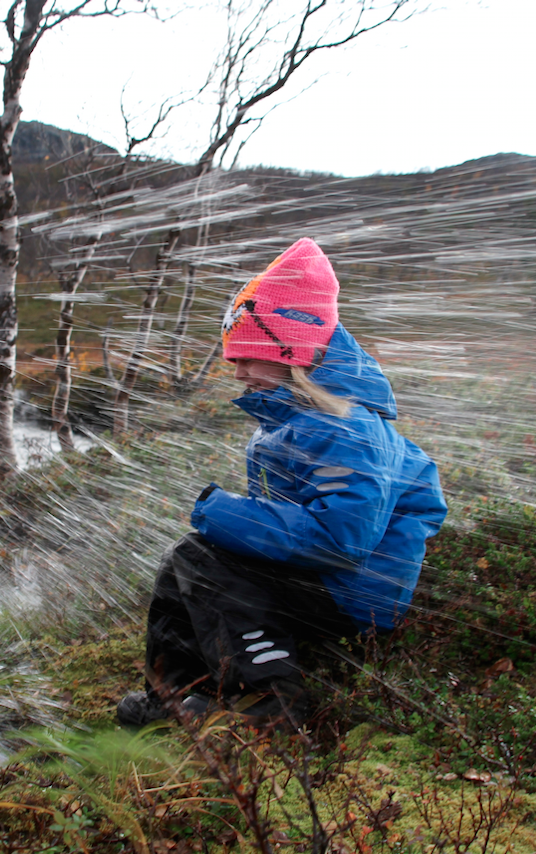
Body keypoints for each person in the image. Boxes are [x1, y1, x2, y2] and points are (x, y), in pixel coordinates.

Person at [117, 237, 449, 730]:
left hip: (354, 592)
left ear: (294, 353)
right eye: (234, 358)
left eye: (249, 356)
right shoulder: (300, 419)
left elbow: (341, 541)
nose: (239, 371)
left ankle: (271, 704)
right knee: (188, 558)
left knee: (203, 558)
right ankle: (177, 693)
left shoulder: (347, 430)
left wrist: (224, 513)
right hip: (324, 578)